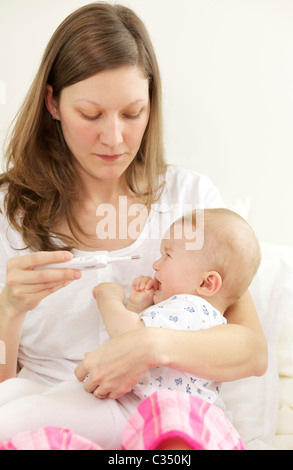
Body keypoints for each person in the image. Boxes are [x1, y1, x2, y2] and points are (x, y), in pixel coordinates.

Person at [0, 3, 267, 449]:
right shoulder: (9, 210)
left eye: (131, 114)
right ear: (53, 102)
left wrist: (148, 347)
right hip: (49, 420)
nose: (114, 138)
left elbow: (251, 351)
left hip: (163, 426)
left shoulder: (190, 201)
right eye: (91, 114)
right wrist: (9, 310)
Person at [90, 208, 260, 450]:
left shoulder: (192, 308)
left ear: (206, 282)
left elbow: (129, 337)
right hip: (154, 415)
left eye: (167, 255)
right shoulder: (194, 313)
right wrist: (137, 306)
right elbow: (137, 344)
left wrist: (108, 297)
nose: (156, 264)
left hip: (168, 420)